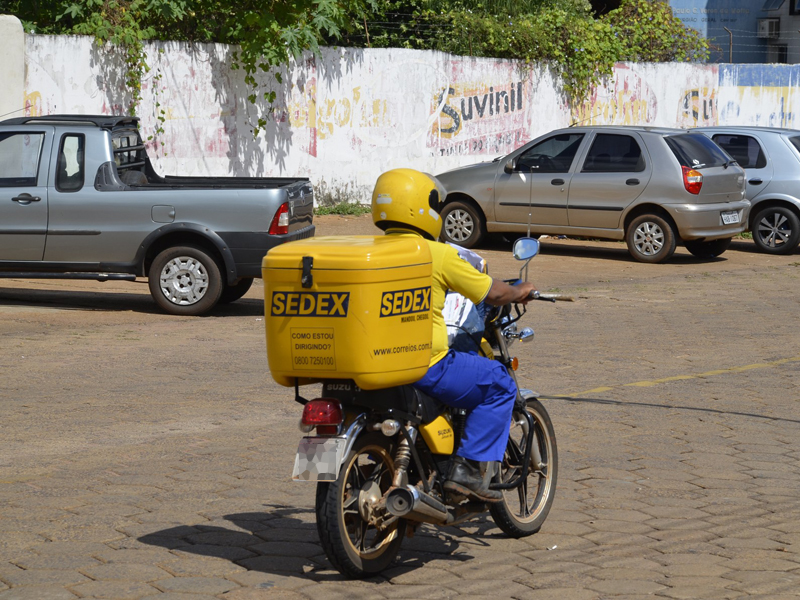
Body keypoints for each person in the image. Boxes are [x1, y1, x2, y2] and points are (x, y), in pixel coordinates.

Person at [372, 168, 537, 503]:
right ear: (424, 207)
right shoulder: (438, 254)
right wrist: (520, 291)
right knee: (500, 383)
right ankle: (466, 471)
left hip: (371, 363)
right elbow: (492, 294)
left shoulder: (365, 252)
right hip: (424, 363)